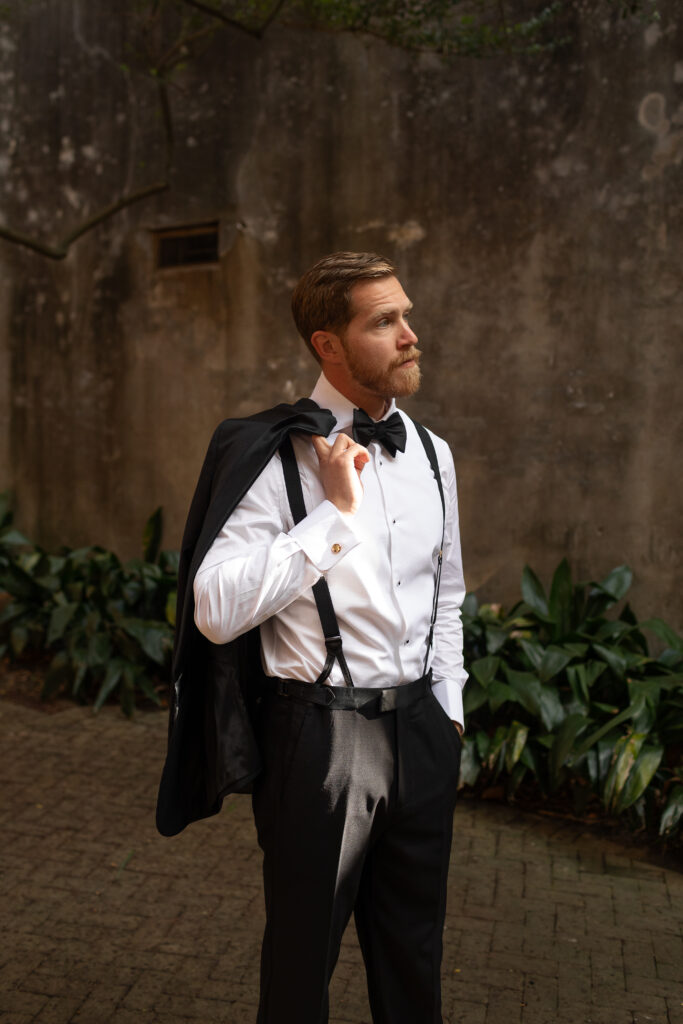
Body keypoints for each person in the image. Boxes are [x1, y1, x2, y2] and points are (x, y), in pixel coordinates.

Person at [165, 251, 467, 1024]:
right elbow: (214, 609)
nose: (409, 334)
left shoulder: (433, 453)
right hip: (319, 738)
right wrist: (332, 517)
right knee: (302, 961)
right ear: (327, 345)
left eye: (405, 314)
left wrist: (448, 710)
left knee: (414, 956)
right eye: (383, 322)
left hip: (421, 734)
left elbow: (447, 593)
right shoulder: (272, 454)